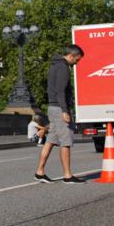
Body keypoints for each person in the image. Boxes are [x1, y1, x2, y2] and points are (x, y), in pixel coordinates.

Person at [34, 44, 84, 184]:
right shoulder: (63, 67)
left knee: (50, 141)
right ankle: (67, 175)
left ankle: (40, 172)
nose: (77, 63)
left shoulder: (54, 65)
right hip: (59, 108)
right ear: (71, 56)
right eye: (77, 60)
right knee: (65, 142)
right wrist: (65, 111)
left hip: (52, 107)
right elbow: (60, 91)